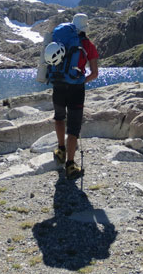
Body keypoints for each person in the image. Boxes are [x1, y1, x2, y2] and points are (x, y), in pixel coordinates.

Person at [52, 13, 99, 180]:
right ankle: (70, 165)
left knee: (59, 117)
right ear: (86, 28)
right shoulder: (88, 45)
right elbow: (94, 74)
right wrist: (80, 81)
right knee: (73, 128)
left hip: (57, 85)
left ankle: (60, 149)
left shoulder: (60, 40)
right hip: (76, 90)